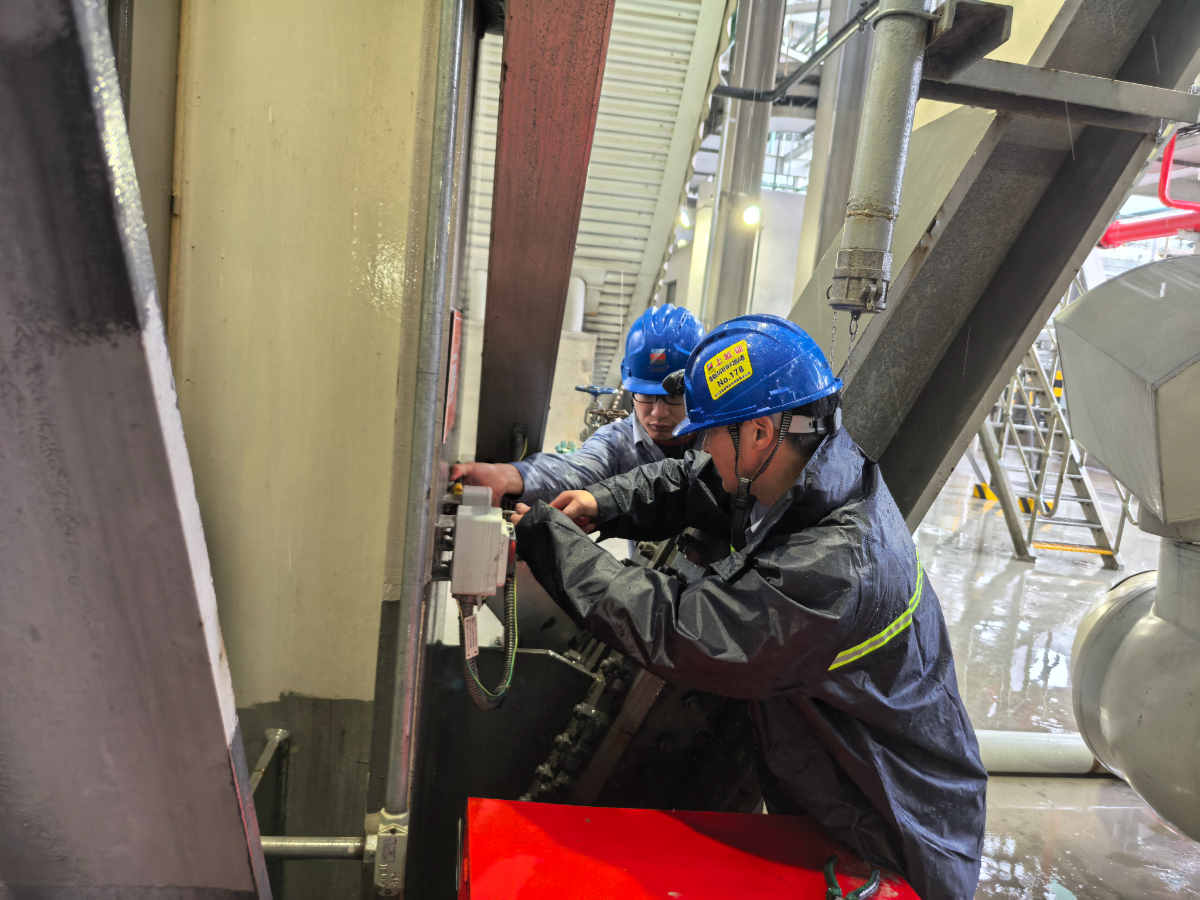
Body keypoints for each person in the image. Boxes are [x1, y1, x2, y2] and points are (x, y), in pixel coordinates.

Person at [510, 314, 987, 900]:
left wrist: (553, 544)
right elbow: (693, 480)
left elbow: (682, 629)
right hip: (839, 796)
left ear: (759, 432)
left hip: (896, 834)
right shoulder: (805, 473)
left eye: (710, 432)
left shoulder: (837, 567)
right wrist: (601, 502)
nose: (700, 446)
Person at [450, 304, 705, 505]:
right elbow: (572, 470)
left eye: (673, 397)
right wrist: (508, 476)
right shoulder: (617, 443)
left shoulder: (718, 439)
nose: (658, 412)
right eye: (645, 395)